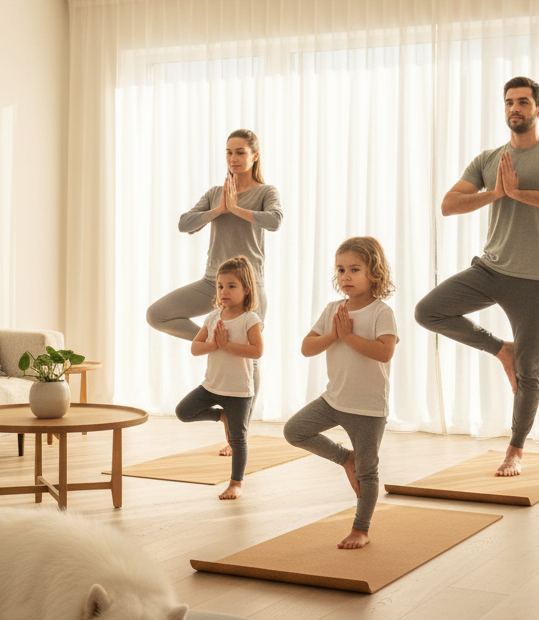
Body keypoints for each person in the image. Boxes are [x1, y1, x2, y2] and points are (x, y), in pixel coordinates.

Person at [414, 77, 539, 477]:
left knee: (530, 370)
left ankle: (515, 450)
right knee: (428, 311)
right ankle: (498, 349)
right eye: (509, 102)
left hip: (536, 278)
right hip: (489, 269)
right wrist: (496, 192)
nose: (515, 109)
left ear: (538, 110)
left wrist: (519, 192)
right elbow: (448, 205)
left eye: (523, 102)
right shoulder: (489, 159)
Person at [146, 129, 282, 404]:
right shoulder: (215, 194)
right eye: (229, 152)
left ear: (255, 156)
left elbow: (275, 221)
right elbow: (185, 223)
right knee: (156, 315)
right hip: (213, 282)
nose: (233, 158)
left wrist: (236, 209)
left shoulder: (266, 192)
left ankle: (238, 433)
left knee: (251, 361)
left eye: (240, 152)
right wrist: (219, 209)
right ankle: (219, 343)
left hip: (250, 286)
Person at [284, 237, 398, 549]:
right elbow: (307, 347)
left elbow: (384, 352)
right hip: (334, 399)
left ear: (374, 273)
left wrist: (347, 337)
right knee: (294, 430)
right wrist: (334, 333)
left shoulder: (381, 312)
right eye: (340, 269)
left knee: (368, 472)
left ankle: (361, 528)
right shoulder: (333, 310)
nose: (345, 276)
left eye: (354, 269)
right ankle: (343, 458)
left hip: (368, 408)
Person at [175, 256, 263, 500]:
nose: (224, 291)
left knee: (238, 439)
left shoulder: (249, 319)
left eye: (232, 286)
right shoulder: (213, 317)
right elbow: (195, 348)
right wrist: (215, 344)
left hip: (238, 392)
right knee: (183, 411)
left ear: (246, 290)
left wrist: (227, 345)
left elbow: (257, 351)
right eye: (220, 286)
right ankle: (220, 414)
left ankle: (236, 484)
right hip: (212, 386)